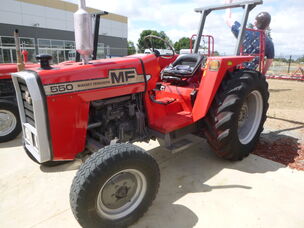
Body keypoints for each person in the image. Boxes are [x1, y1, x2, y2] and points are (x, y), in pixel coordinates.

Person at [225, 0, 274, 75]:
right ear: (268, 26)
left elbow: (228, 20)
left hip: (237, 70)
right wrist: (262, 75)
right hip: (251, 74)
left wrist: (228, 3)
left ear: (255, 22)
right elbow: (269, 61)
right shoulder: (269, 43)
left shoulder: (244, 32)